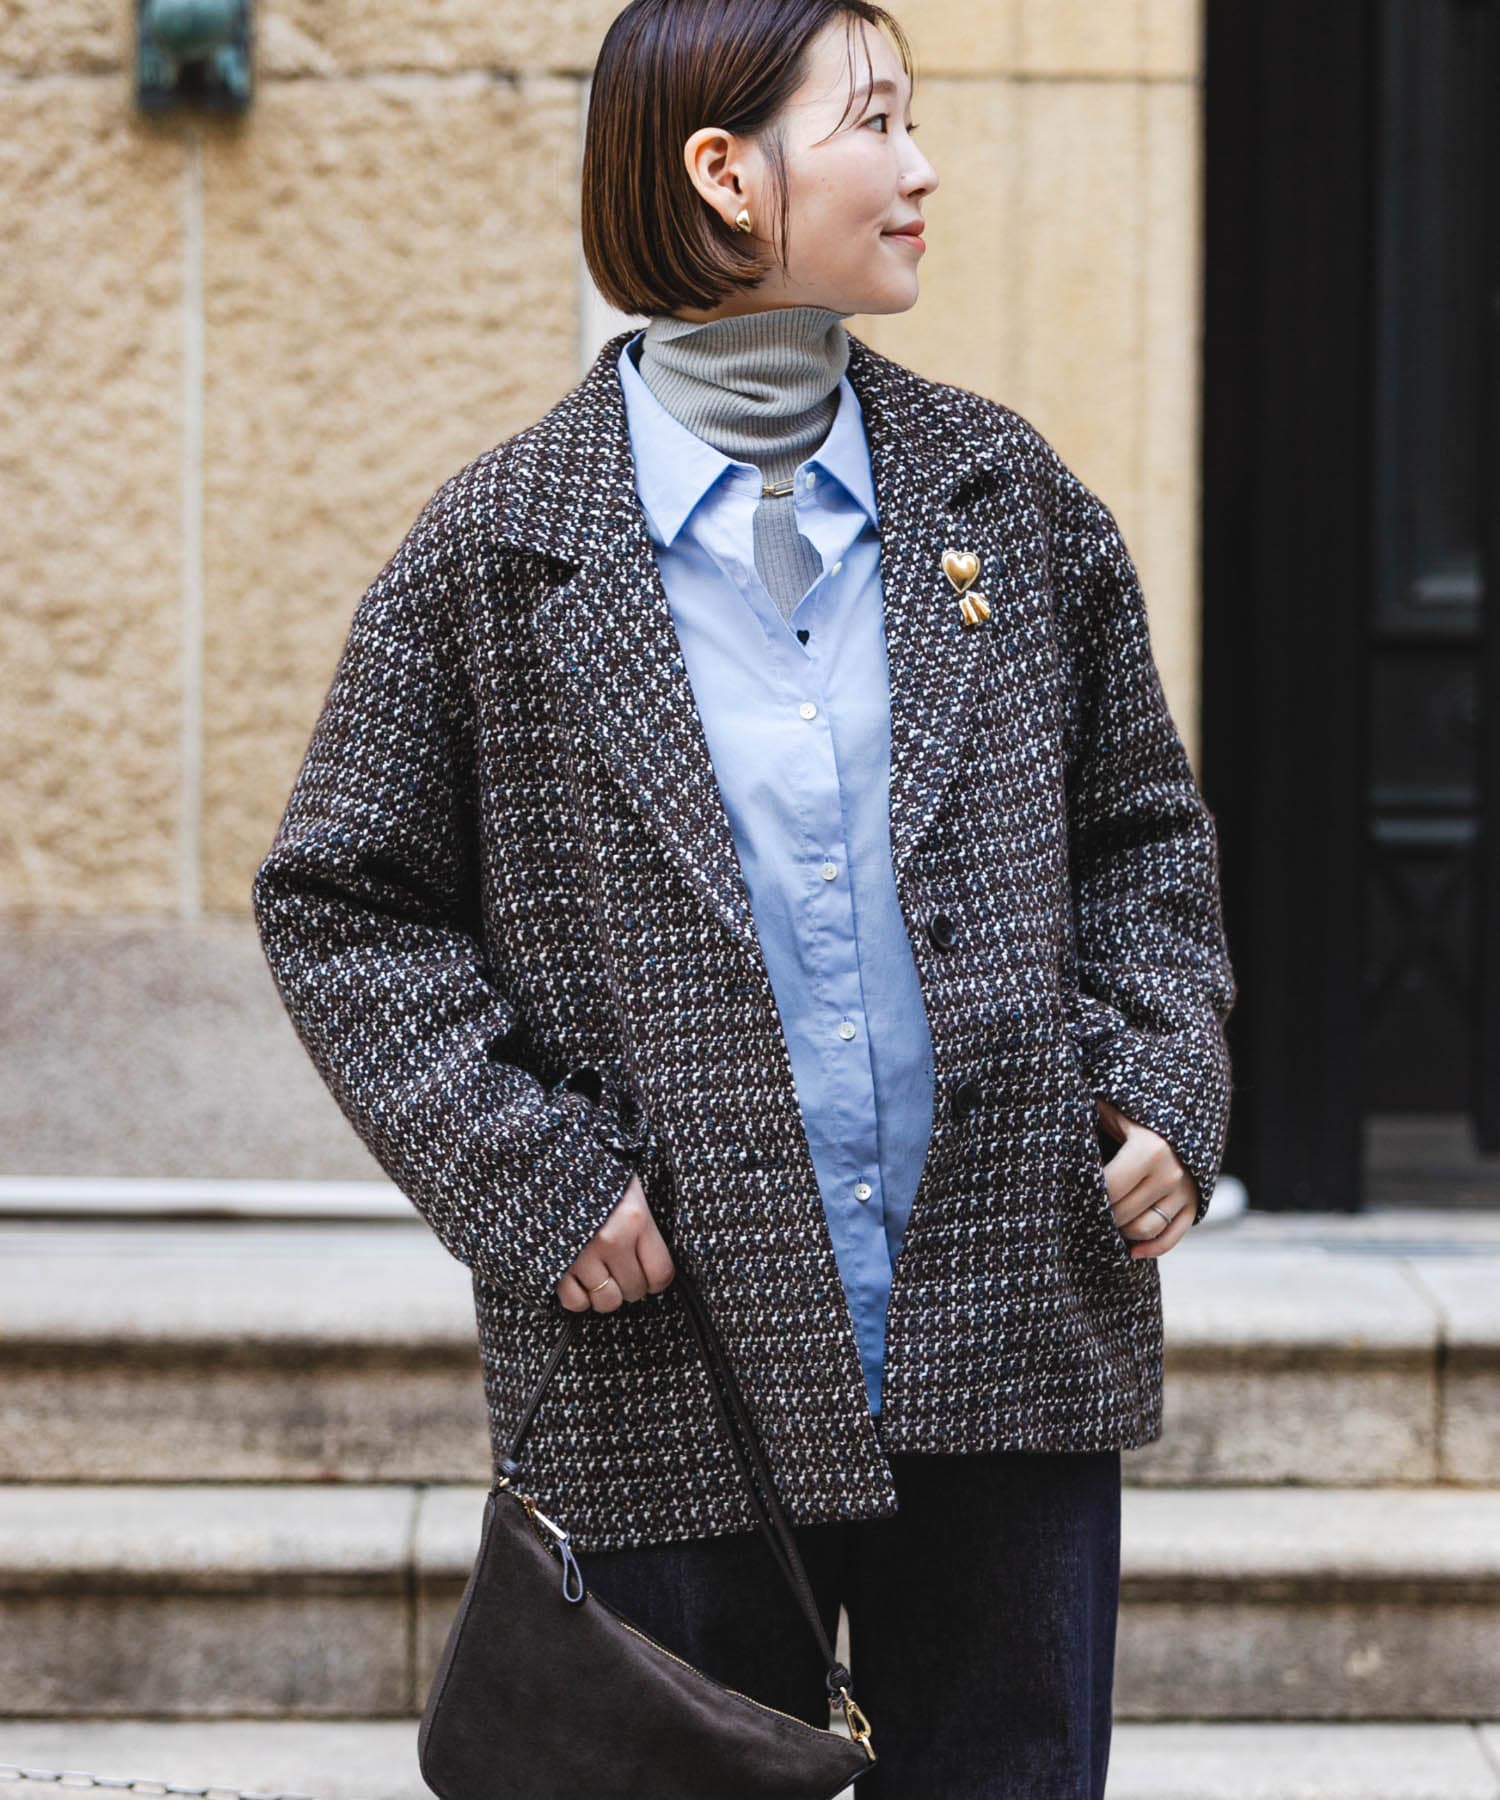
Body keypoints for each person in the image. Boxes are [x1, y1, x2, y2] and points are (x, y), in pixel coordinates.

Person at [252, 0, 1237, 1792]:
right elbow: (342, 902)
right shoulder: (500, 548)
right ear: (723, 172)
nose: (923, 166)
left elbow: (1141, 835)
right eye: (876, 121)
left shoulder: (1011, 500)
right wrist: (532, 1174)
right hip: (663, 1360)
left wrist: (1158, 1077)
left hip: (1005, 1319)